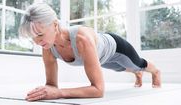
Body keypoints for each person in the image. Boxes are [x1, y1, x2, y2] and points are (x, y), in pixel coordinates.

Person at [19, 3, 161, 101]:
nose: (37, 42)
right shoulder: (48, 47)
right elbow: (51, 85)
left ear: (55, 24)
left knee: (138, 64)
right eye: (33, 38)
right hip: (101, 58)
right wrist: (45, 91)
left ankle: (155, 71)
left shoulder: (81, 39)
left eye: (40, 35)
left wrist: (60, 93)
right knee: (121, 68)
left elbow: (98, 90)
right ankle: (136, 74)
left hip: (116, 47)